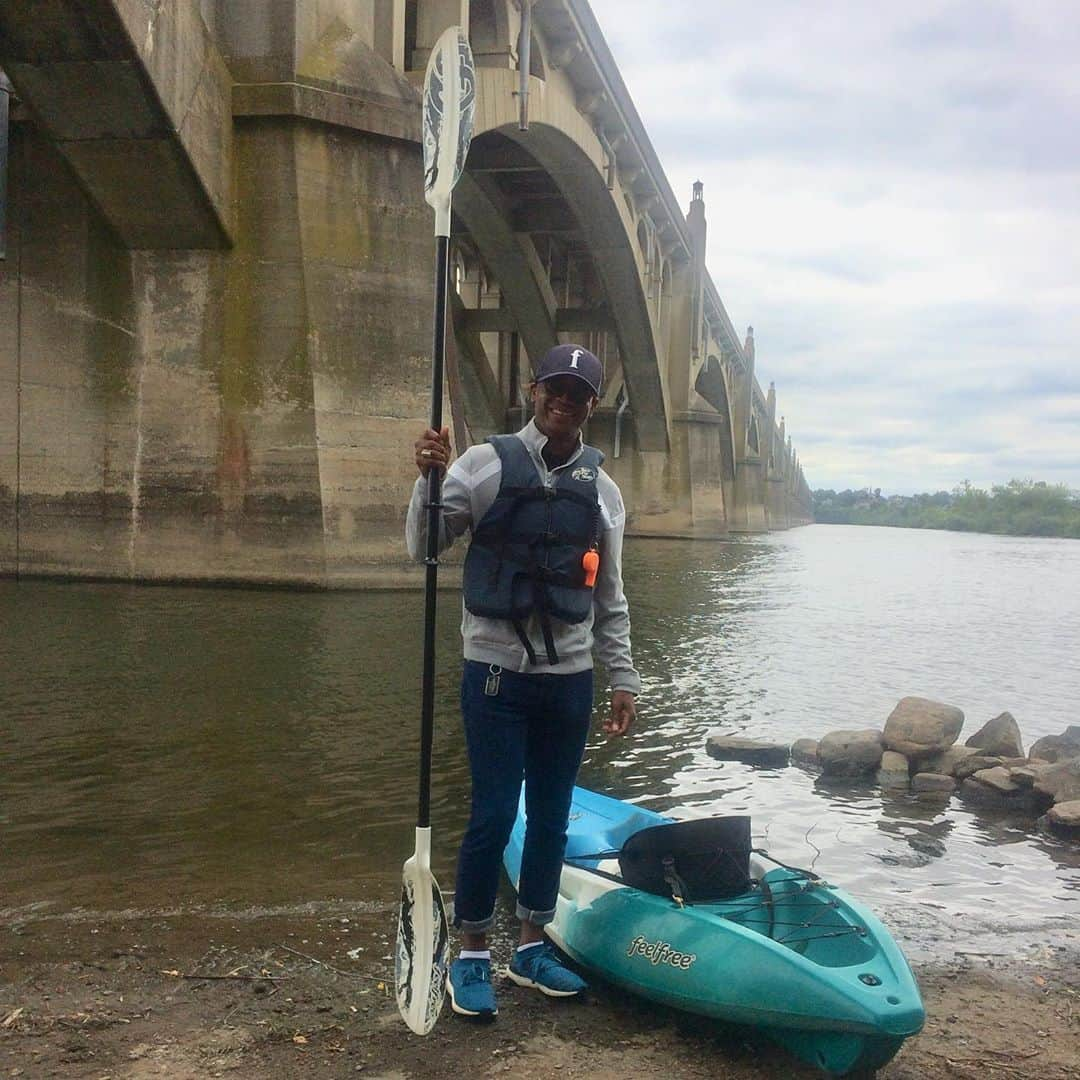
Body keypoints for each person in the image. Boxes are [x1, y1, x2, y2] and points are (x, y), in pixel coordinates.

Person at [406, 343, 640, 1020]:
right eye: (554, 387)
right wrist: (427, 478)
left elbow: (611, 596)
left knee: (550, 817)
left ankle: (533, 946)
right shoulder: (482, 464)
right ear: (534, 389)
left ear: (592, 406)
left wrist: (623, 679)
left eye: (578, 392)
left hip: (569, 678)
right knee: (493, 812)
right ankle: (472, 952)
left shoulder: (604, 490)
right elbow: (423, 544)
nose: (563, 399)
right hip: (496, 675)